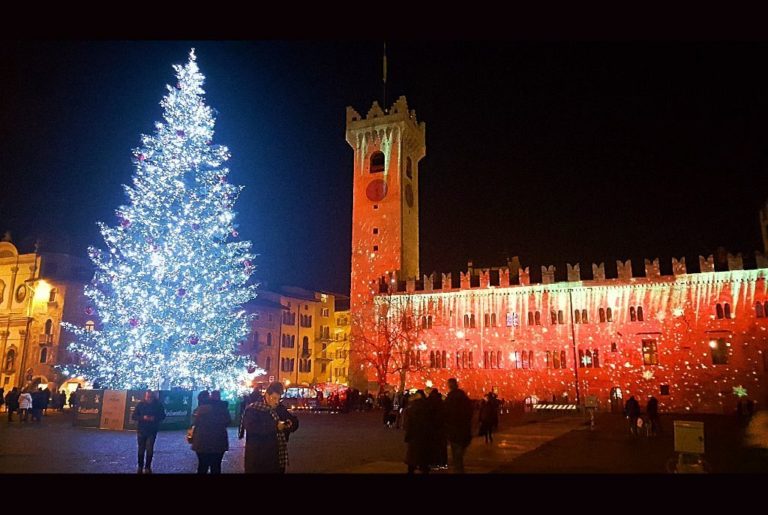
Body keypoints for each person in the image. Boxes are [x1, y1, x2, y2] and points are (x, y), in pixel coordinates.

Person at [239, 381, 299, 473]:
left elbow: (293, 420)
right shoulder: (253, 409)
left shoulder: (279, 409)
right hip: (258, 460)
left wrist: (291, 424)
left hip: (277, 460)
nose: (276, 402)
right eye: (274, 398)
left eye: (279, 399)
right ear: (267, 395)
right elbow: (252, 428)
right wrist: (275, 426)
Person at [191, 390, 231, 474]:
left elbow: (194, 422)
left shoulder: (201, 408)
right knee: (216, 466)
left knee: (202, 466)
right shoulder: (223, 408)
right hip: (219, 440)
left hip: (202, 441)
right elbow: (228, 421)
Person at [131, 390, 166, 473]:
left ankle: (147, 467)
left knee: (149, 449)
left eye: (151, 397)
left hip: (152, 431)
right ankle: (140, 466)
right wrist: (143, 417)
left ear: (153, 397)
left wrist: (154, 418)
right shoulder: (140, 405)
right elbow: (134, 416)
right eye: (147, 397)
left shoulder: (158, 405)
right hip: (141, 430)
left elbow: (163, 416)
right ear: (145, 397)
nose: (149, 399)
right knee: (141, 449)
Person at [444, 378, 473, 473]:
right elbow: (469, 412)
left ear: (450, 386)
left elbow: (446, 413)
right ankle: (459, 469)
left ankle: (458, 469)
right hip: (464, 428)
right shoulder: (464, 397)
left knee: (456, 452)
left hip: (454, 429)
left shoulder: (450, 398)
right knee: (459, 451)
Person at [403, 389, 431, 474]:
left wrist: (407, 434)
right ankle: (424, 468)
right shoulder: (427, 407)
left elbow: (407, 423)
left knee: (412, 454)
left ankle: (411, 469)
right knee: (423, 454)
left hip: (414, 434)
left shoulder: (411, 407)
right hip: (424, 434)